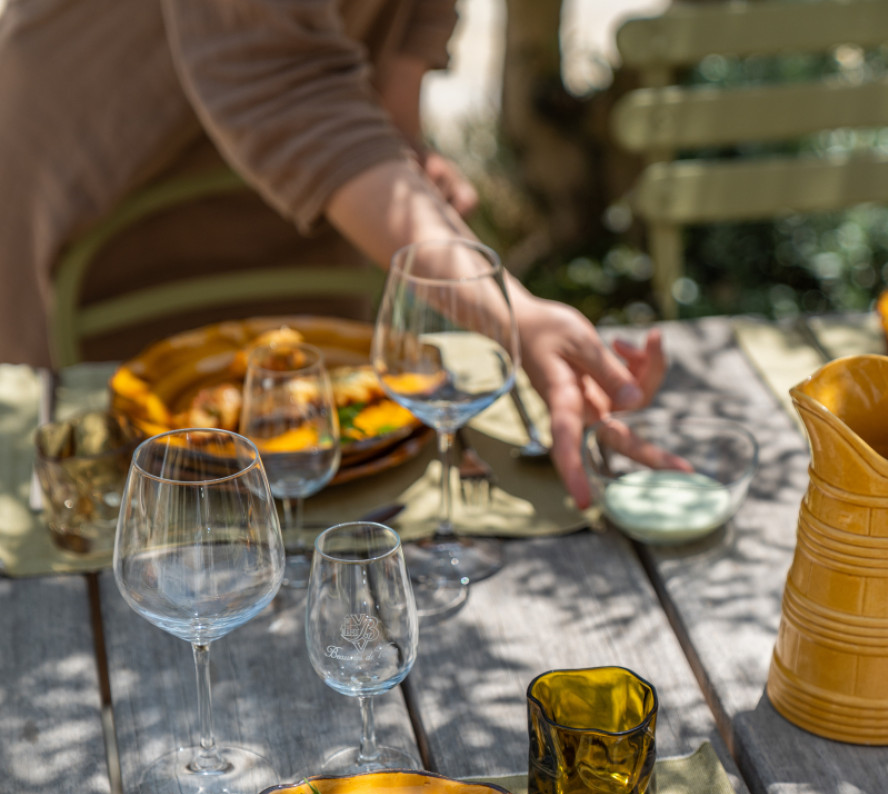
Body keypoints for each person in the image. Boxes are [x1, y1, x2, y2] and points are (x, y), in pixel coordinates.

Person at [0, 0, 667, 509]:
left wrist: (400, 149)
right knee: (132, 499)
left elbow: (398, 34)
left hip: (306, 159)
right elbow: (286, 88)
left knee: (322, 470)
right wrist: (509, 313)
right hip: (112, 168)